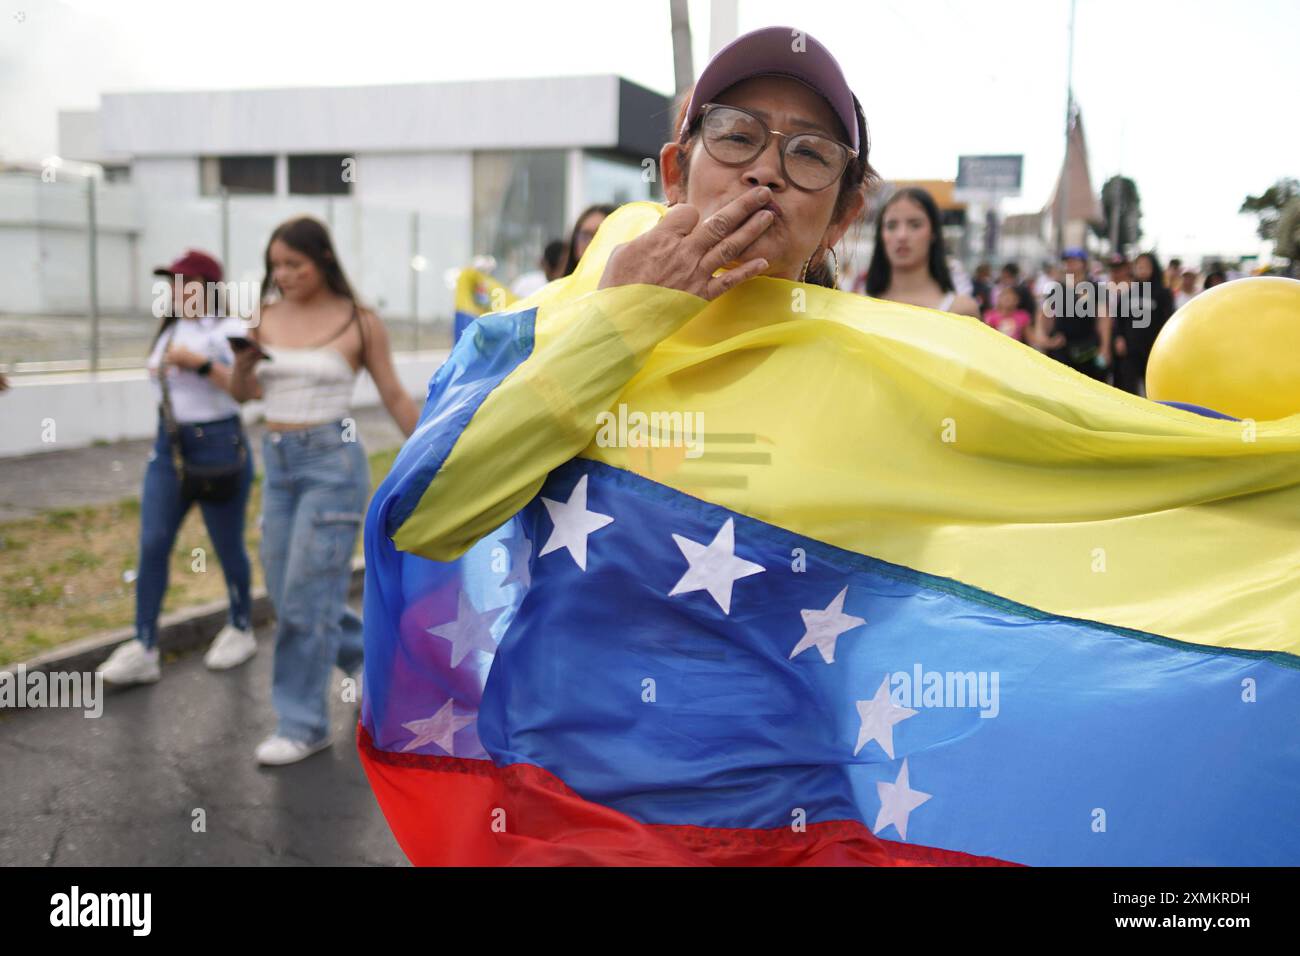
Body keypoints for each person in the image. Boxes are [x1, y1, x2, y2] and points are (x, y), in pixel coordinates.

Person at [228, 217, 419, 766]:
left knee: (306, 602)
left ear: (323, 262)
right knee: (289, 595)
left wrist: (439, 459)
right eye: (276, 265)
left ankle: (304, 723)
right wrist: (241, 369)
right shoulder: (261, 317)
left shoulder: (360, 322)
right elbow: (242, 395)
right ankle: (370, 664)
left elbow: (396, 398)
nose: (283, 275)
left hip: (332, 465)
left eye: (295, 264)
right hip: (279, 465)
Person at [98, 250, 256, 686]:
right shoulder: (169, 330)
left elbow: (245, 391)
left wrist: (201, 365)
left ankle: (241, 626)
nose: (176, 290)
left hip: (219, 446)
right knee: (152, 543)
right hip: (168, 448)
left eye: (185, 282)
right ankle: (144, 645)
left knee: (228, 546)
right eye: (172, 283)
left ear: (209, 287)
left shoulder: (231, 329)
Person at [864, 187, 981, 317]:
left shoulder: (961, 310)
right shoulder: (860, 307)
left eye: (915, 225)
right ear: (881, 234)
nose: (902, 236)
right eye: (891, 225)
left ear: (933, 233)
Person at [1031, 247, 1111, 381]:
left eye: (1074, 261)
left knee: (1089, 385)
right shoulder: (1058, 288)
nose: (1070, 264)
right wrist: (1042, 337)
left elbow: (1104, 319)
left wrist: (1105, 346)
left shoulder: (1096, 288)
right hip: (1061, 346)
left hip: (1088, 346)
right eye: (1067, 261)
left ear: (1084, 264)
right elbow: (1043, 314)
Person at [1114, 251, 1174, 396]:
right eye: (1139, 266)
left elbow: (1167, 320)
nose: (1142, 269)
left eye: (1146, 266)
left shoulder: (1163, 293)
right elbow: (1119, 320)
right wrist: (1119, 337)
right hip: (1131, 348)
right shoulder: (1128, 293)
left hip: (1153, 348)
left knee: (1152, 389)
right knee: (1128, 388)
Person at [562, 204, 617, 276]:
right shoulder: (560, 286)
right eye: (585, 236)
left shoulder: (630, 286)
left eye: (599, 235)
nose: (591, 243)